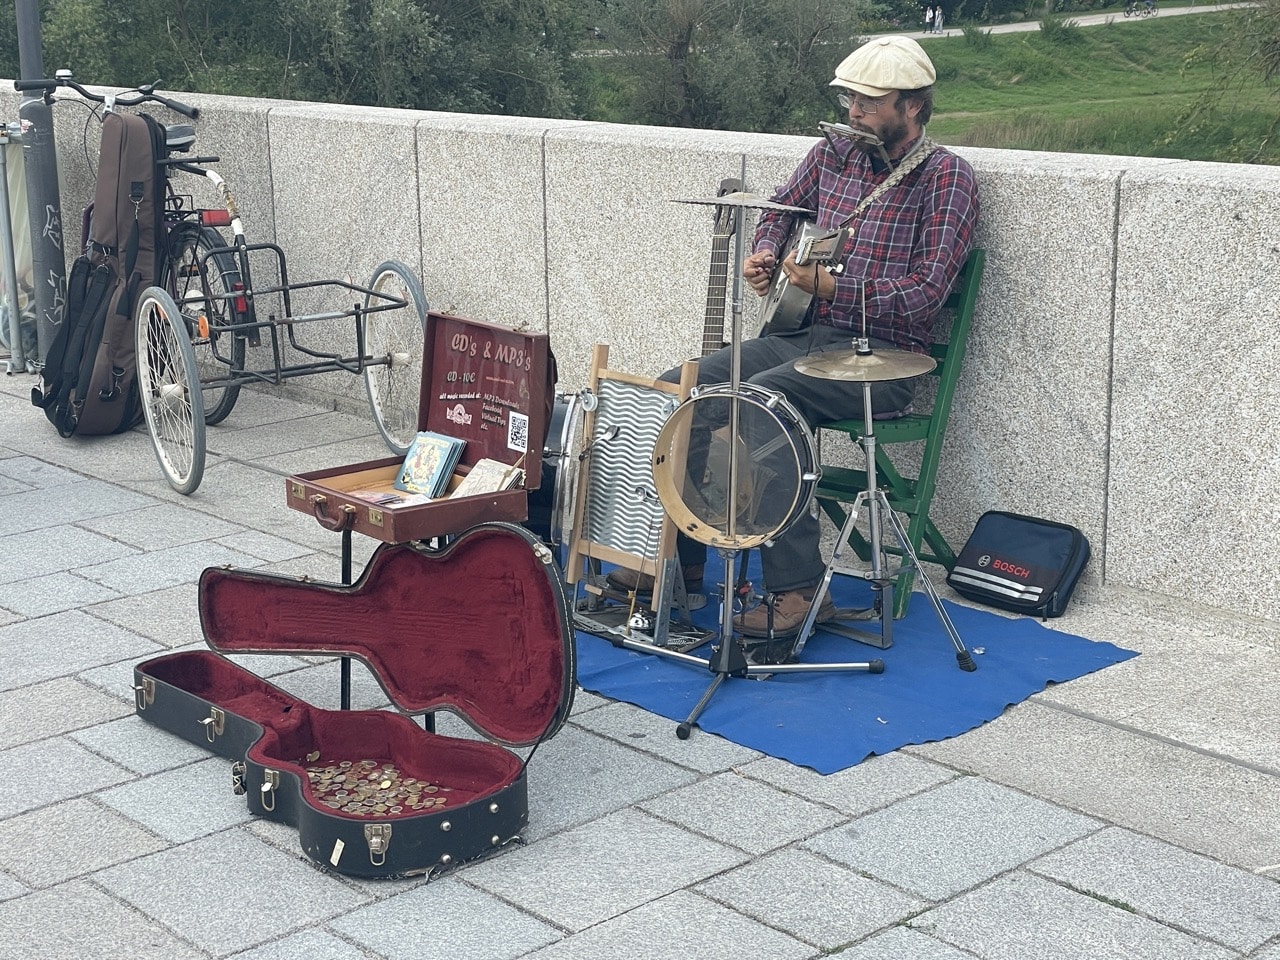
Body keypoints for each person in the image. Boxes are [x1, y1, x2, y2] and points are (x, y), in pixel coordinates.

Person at [610, 35, 979, 646]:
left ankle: (801, 590)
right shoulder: (832, 153)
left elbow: (926, 293)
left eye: (868, 102)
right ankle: (684, 559)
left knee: (766, 400)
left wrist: (834, 287)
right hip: (804, 333)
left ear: (912, 106)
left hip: (883, 358)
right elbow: (780, 207)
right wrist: (765, 251)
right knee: (685, 385)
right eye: (848, 100)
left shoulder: (946, 179)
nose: (853, 112)